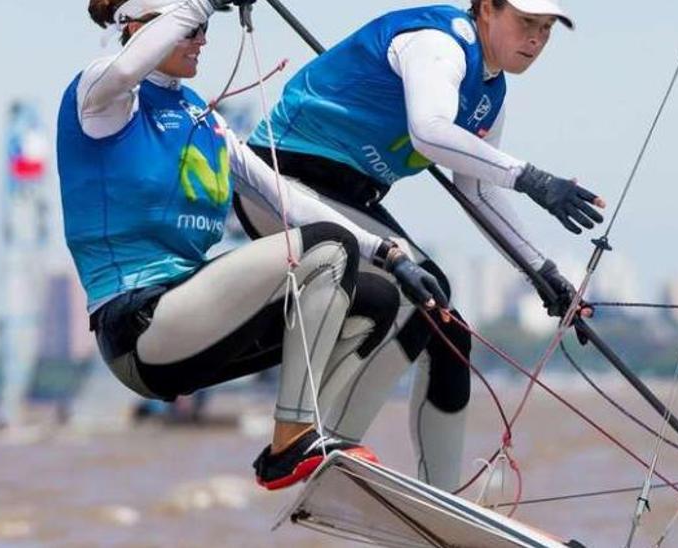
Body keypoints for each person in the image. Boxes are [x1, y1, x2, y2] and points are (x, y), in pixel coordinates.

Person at [59, 0, 449, 491]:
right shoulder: (102, 95)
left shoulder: (200, 116)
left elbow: (284, 196)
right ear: (138, 26)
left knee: (378, 298)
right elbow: (127, 66)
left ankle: (325, 451)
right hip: (138, 327)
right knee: (326, 249)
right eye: (192, 28)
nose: (203, 38)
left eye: (205, 29)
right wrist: (201, 2)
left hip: (194, 329)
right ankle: (293, 438)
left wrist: (388, 253)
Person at [235, 0, 603, 490]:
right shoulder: (440, 43)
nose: (535, 39)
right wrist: (532, 178)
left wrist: (543, 272)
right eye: (525, 23)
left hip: (345, 196)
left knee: (451, 332)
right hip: (282, 182)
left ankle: (446, 498)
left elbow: (477, 189)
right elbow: (429, 132)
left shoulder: (491, 93)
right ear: (486, 9)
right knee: (428, 296)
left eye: (546, 29)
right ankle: (322, 453)